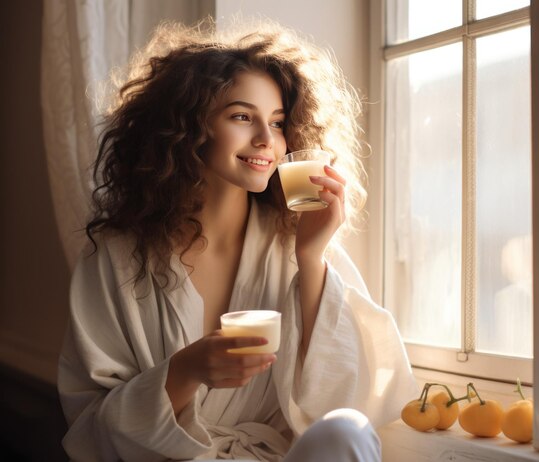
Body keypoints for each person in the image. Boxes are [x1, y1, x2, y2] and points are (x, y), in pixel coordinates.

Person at [58, 17, 418, 462]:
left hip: (273, 455)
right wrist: (185, 370)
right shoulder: (119, 256)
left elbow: (344, 394)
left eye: (279, 122)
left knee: (348, 431)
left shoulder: (294, 241)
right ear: (188, 127)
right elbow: (91, 423)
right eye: (242, 116)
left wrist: (311, 255)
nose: (267, 140)